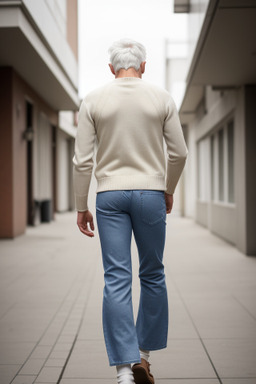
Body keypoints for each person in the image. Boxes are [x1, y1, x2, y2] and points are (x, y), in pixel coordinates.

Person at [72, 38, 188, 384]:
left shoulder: (93, 100)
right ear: (144, 66)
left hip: (109, 196)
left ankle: (123, 372)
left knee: (116, 279)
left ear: (111, 69)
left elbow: (82, 161)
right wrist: (168, 189)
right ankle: (143, 357)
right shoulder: (161, 98)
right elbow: (179, 153)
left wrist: (81, 206)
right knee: (153, 273)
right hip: (150, 193)